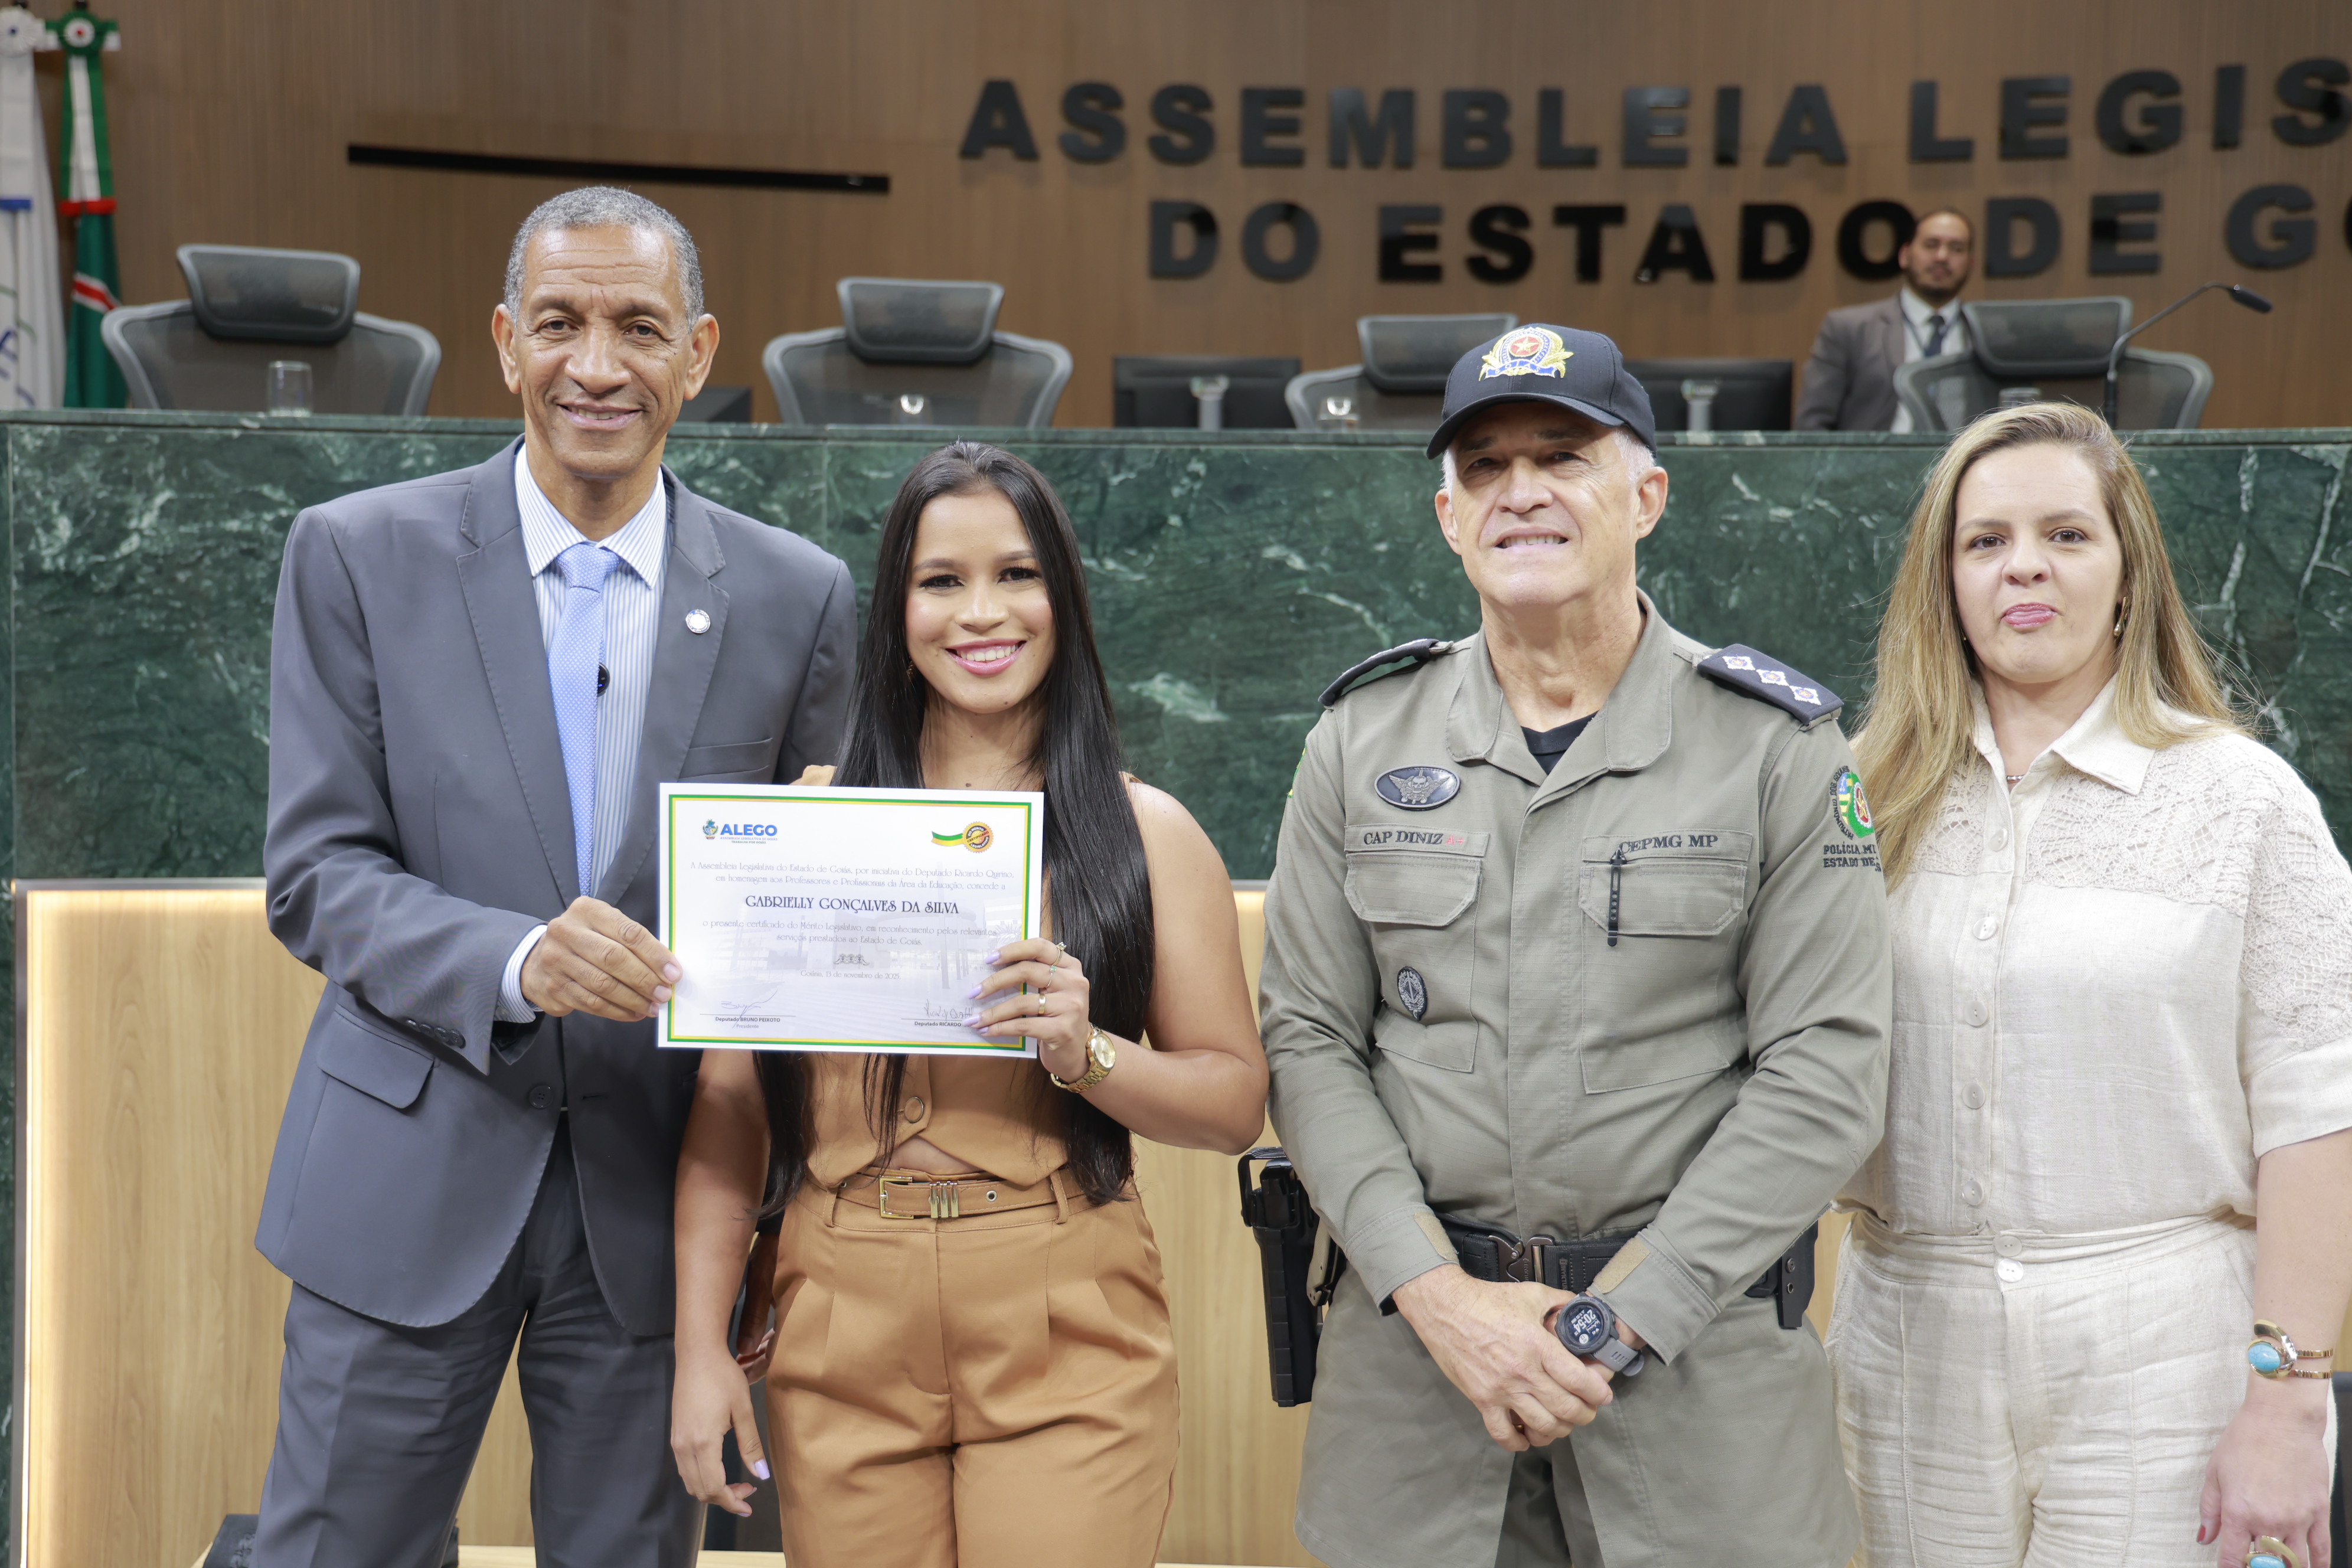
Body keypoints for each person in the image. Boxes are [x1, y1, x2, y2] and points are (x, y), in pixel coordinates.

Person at [253, 187, 856, 1567]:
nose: (597, 365)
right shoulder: (356, 554)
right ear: (503, 342)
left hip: (657, 1203)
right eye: (560, 323)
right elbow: (317, 871)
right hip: (405, 1174)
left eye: (638, 327)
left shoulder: (797, 596)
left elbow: (807, 903)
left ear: (698, 352)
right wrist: (515, 960)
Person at [1257, 323, 1893, 1568]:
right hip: (1420, 1376)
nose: (1522, 490)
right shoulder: (1360, 737)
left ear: (1645, 495)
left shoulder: (1772, 746)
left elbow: (1826, 1069)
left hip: (1697, 1380)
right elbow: (1309, 1038)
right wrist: (1442, 1300)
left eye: (1562, 455)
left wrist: (1620, 1320)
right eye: (1484, 466)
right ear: (1448, 516)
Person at [668, 441, 1269, 1568]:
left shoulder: (1144, 831)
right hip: (837, 1301)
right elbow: (731, 1107)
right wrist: (698, 1348)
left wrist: (1087, 1052)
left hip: (1064, 1305)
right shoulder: (800, 824)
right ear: (895, 609)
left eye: (1017, 574)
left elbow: (1232, 1103)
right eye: (940, 580)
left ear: (1063, 597)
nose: (981, 612)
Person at [1834, 400, 2352, 1568]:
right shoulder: (1859, 795)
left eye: (2066, 534)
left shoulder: (2242, 801)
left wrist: (2287, 1396)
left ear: (2127, 576)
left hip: (2162, 1346)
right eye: (1985, 540)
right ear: (1943, 582)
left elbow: (2317, 1113)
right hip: (1907, 1337)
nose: (2023, 565)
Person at [1796, 207, 1975, 433]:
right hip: (1874, 456)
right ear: (1905, 256)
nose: (1942, 257)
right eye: (1931, 245)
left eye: (1956, 249)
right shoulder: (1850, 328)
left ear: (1971, 263)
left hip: (1965, 454)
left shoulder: (1988, 335)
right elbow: (1811, 425)